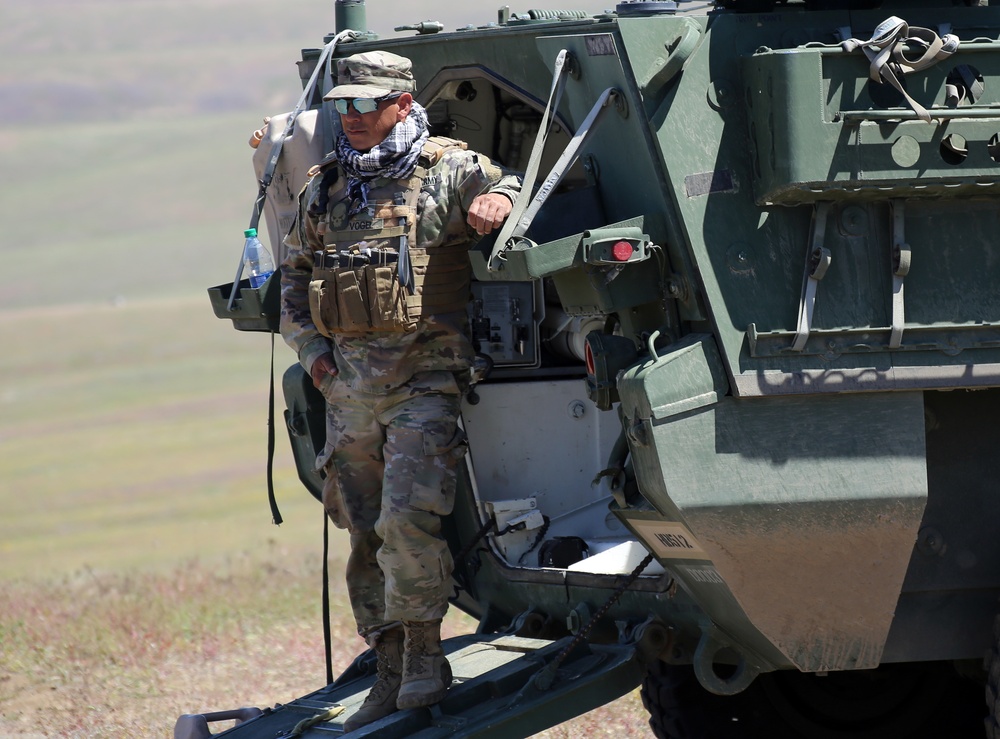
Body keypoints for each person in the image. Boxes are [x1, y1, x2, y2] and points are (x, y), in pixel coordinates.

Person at [279, 50, 521, 731]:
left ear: (402, 103)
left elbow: (525, 184)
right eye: (343, 106)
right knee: (360, 527)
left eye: (365, 104)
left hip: (423, 380)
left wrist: (502, 199)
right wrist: (317, 359)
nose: (352, 117)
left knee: (405, 521)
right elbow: (292, 280)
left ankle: (424, 656)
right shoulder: (326, 187)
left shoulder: (446, 169)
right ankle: (386, 664)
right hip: (349, 389)